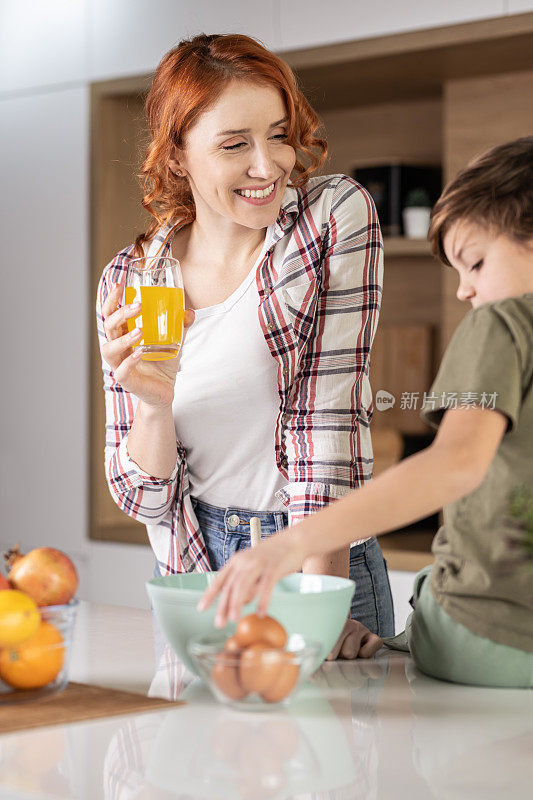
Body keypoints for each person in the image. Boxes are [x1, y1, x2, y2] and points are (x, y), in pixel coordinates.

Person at [96, 33, 394, 660]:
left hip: (317, 557)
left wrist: (321, 595)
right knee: (202, 757)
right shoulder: (133, 278)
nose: (270, 165)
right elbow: (143, 499)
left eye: (279, 135)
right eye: (235, 144)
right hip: (200, 570)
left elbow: (326, 415)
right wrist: (152, 406)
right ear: (177, 155)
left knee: (336, 756)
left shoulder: (331, 217)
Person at [199, 136, 533, 688]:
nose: (464, 291)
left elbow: (453, 465)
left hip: (485, 639)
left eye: (474, 262)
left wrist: (291, 543)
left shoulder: (503, 324)